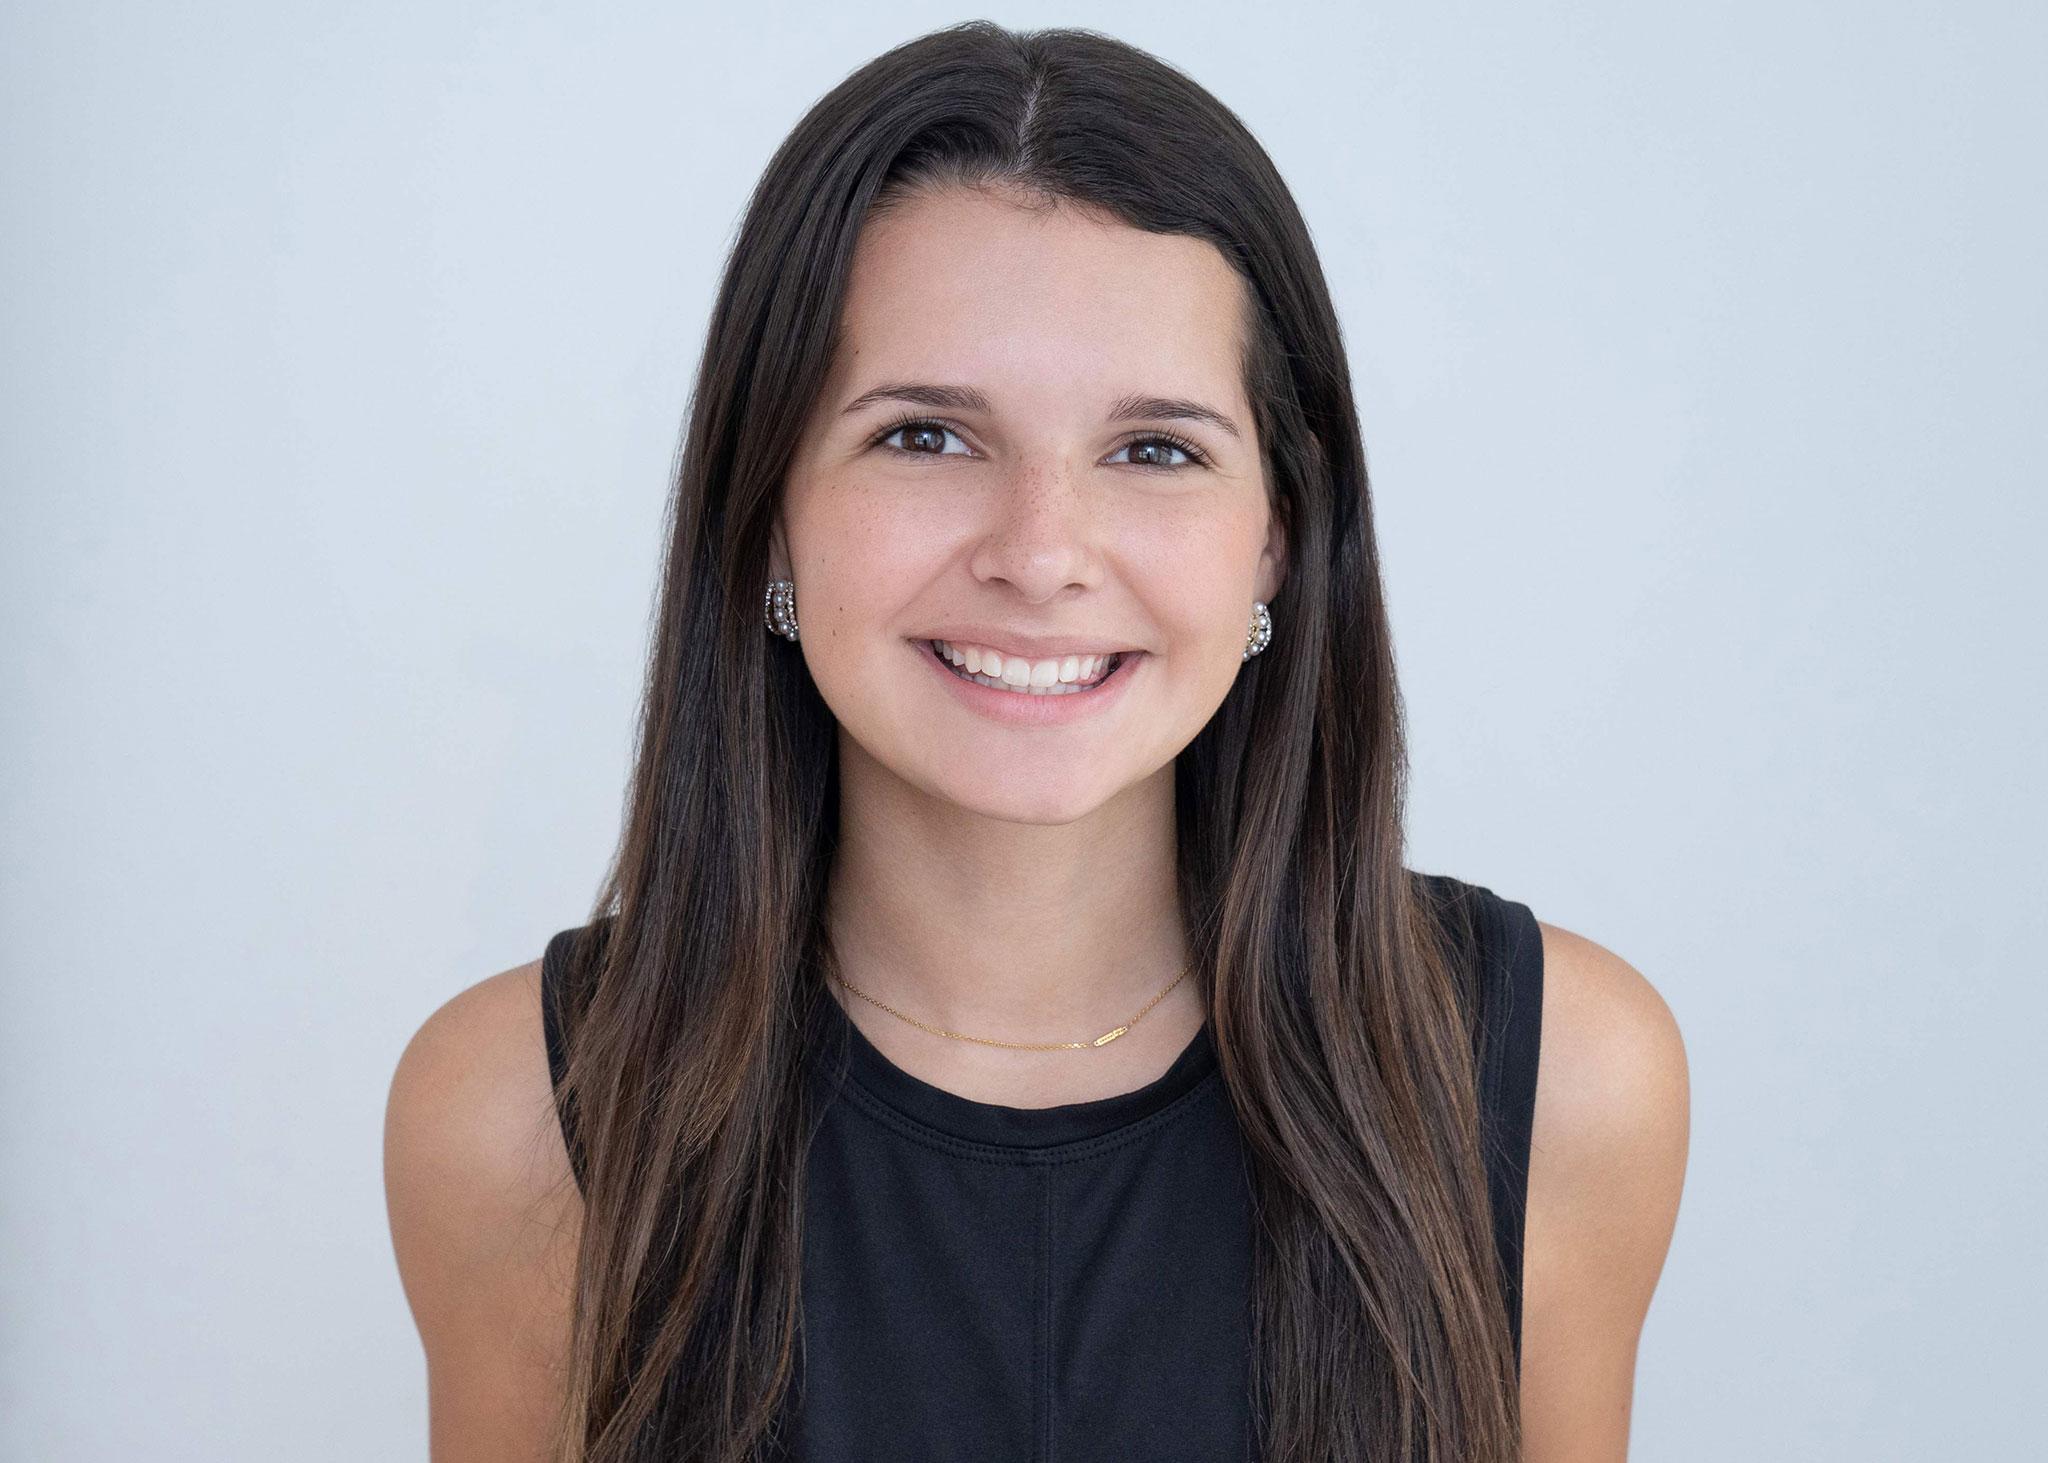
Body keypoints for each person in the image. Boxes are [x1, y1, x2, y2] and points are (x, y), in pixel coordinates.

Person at [383, 21, 1688, 1463]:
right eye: (928, 437)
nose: (1042, 553)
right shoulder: (518, 1119)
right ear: (770, 510)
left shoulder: (1561, 1087)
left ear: (1277, 536)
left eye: (1155, 450)